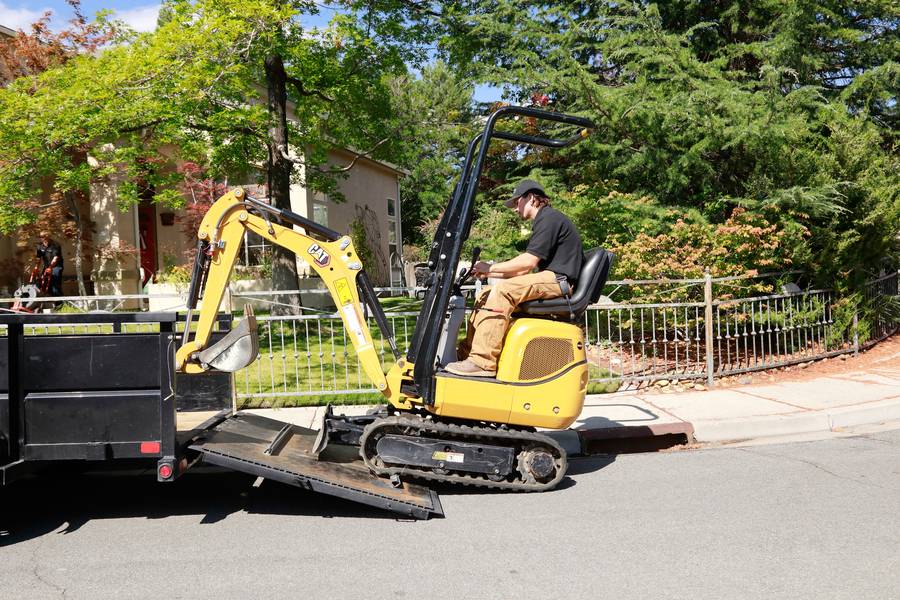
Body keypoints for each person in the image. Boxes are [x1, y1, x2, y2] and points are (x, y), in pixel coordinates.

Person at [446, 179, 583, 377]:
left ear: (531, 198)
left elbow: (528, 262)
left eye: (516, 202)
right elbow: (520, 272)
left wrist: (491, 267)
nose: (514, 208)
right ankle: (467, 355)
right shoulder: (544, 220)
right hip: (549, 277)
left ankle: (483, 363)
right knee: (486, 294)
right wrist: (488, 272)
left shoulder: (549, 218)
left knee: (502, 290)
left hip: (558, 280)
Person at [36, 232, 64, 300]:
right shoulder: (40, 246)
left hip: (56, 266)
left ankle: (59, 303)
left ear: (47, 237)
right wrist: (36, 267)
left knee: (55, 285)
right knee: (44, 283)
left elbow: (56, 258)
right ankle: (49, 301)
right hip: (47, 267)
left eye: (43, 237)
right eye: (40, 237)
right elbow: (38, 258)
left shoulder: (55, 245)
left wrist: (51, 267)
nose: (41, 238)